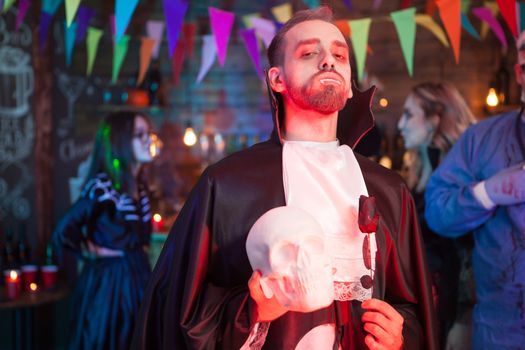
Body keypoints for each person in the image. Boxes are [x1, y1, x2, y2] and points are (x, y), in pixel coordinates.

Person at [133, 6, 437, 349]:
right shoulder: (228, 185)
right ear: (276, 79)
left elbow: (414, 309)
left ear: (350, 86)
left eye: (339, 54)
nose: (328, 60)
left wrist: (400, 336)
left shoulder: (390, 190)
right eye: (309, 53)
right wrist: (251, 311)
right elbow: (176, 314)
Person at [425, 32, 525, 349]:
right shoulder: (481, 139)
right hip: (500, 330)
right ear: (520, 72)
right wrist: (487, 193)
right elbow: (437, 213)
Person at [53, 111, 160, 349]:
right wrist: (90, 252)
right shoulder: (103, 187)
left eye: (148, 133)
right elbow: (63, 231)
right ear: (120, 141)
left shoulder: (140, 185)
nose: (147, 140)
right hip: (109, 286)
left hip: (138, 275)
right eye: (138, 135)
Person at [397, 82, 476, 348]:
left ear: (435, 118)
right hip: (428, 307)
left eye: (409, 114)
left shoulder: (461, 174)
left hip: (452, 310)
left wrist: (464, 320)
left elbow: (471, 252)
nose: (400, 124)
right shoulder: (423, 170)